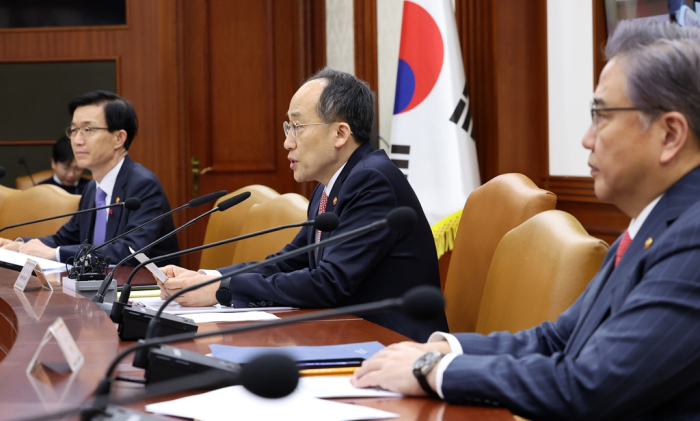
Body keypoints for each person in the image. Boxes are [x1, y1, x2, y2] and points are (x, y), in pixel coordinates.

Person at [351, 20, 700, 420]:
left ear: (671, 134)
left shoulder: (692, 236)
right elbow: (559, 338)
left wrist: (434, 371)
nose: (587, 138)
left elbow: (591, 384)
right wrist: (446, 350)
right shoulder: (657, 223)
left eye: (601, 115)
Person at [158, 68, 448, 342]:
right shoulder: (330, 186)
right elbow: (288, 261)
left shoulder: (372, 182)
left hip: (394, 343)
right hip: (348, 333)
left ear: (340, 134)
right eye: (288, 127)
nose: (287, 143)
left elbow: (329, 282)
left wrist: (222, 291)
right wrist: (210, 278)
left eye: (297, 127)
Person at [0, 90, 179, 266]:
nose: (77, 140)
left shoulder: (142, 185)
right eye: (74, 130)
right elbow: (66, 238)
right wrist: (20, 245)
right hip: (99, 288)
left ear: (119, 138)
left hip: (143, 290)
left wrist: (56, 254)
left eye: (88, 129)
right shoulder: (93, 188)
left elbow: (131, 252)